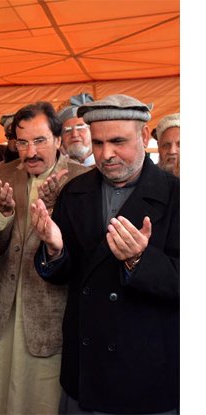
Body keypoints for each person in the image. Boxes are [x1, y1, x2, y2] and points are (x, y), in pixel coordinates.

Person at [30, 94, 179, 414]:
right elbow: (64, 275)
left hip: (146, 369)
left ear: (143, 136)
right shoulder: (75, 190)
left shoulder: (179, 195)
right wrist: (54, 250)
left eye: (117, 141)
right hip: (86, 367)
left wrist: (140, 261)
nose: (106, 154)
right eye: (97, 143)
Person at [0, 102, 89, 414]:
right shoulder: (0, 177)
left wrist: (57, 215)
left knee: (42, 399)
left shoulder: (83, 181)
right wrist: (4, 216)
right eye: (22, 143)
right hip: (1, 309)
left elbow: (85, 255)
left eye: (39, 141)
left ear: (58, 139)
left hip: (49, 310)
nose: (30, 152)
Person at [57, 93, 96, 166]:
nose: (74, 134)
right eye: (67, 130)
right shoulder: (55, 170)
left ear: (92, 131)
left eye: (80, 128)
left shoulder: (106, 163)